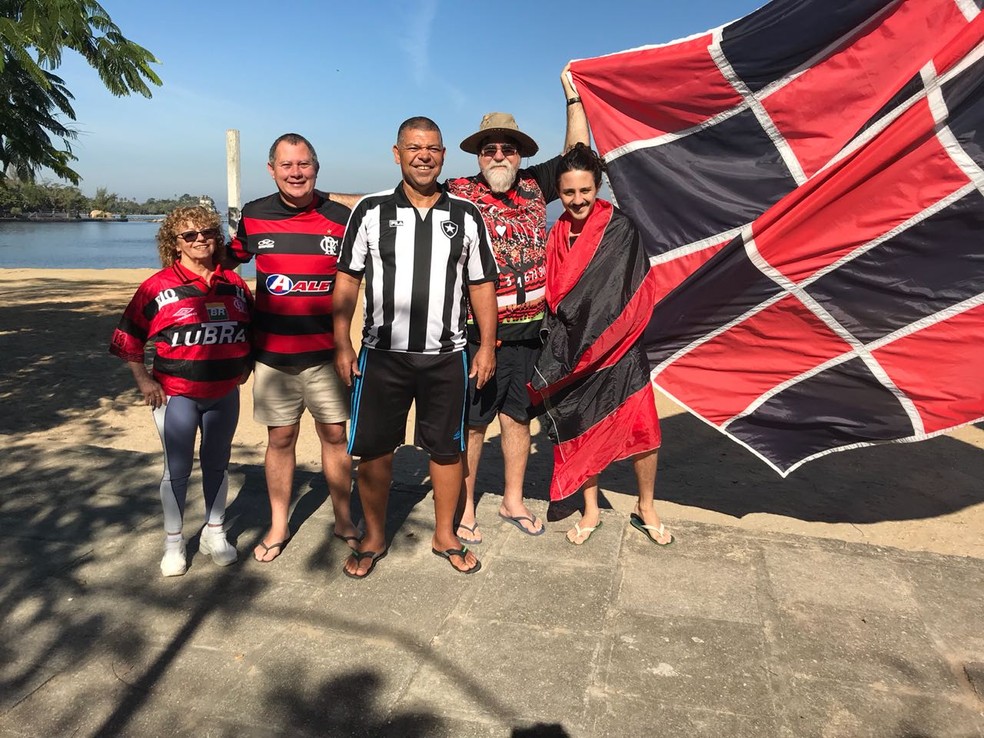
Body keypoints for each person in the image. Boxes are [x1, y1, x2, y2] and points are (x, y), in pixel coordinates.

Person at [333, 116, 499, 579]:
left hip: (447, 356)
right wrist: (341, 341)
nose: (423, 155)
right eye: (414, 147)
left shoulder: (465, 215)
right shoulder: (369, 211)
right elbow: (348, 279)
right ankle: (374, 536)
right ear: (397, 153)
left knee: (447, 451)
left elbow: (482, 284)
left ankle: (444, 534)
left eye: (432, 148)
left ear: (444, 156)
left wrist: (487, 346)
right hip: (381, 356)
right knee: (375, 449)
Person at [444, 64, 589, 543]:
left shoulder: (533, 185)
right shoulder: (457, 192)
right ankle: (464, 509)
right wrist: (317, 200)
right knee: (472, 424)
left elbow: (578, 155)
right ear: (479, 156)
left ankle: (511, 500)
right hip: (475, 332)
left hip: (530, 330)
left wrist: (572, 98)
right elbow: (393, 201)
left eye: (508, 148)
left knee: (517, 418)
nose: (500, 155)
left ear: (520, 153)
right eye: (491, 149)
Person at [225, 133, 361, 563]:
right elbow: (224, 265)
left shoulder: (341, 218)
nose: (296, 172)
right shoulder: (254, 215)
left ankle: (343, 518)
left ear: (316, 169)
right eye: (286, 165)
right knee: (280, 438)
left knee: (335, 436)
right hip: (272, 356)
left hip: (328, 353)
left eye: (303, 164)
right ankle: (280, 523)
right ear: (272, 170)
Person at [529, 144, 673, 546]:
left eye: (585, 191)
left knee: (645, 429)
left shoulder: (620, 229)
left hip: (621, 349)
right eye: (569, 193)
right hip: (575, 353)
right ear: (559, 192)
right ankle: (591, 509)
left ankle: (646, 507)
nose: (577, 201)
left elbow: (629, 294)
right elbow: (557, 297)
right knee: (582, 425)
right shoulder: (555, 233)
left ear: (599, 188)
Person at [110, 206, 253, 576]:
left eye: (206, 231)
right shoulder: (157, 287)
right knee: (177, 469)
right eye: (189, 235)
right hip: (176, 394)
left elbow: (250, 329)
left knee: (217, 462)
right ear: (175, 243)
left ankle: (215, 533)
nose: (200, 239)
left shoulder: (234, 285)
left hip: (224, 392)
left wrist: (246, 363)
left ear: (217, 237)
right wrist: (144, 380)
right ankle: (174, 543)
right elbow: (129, 338)